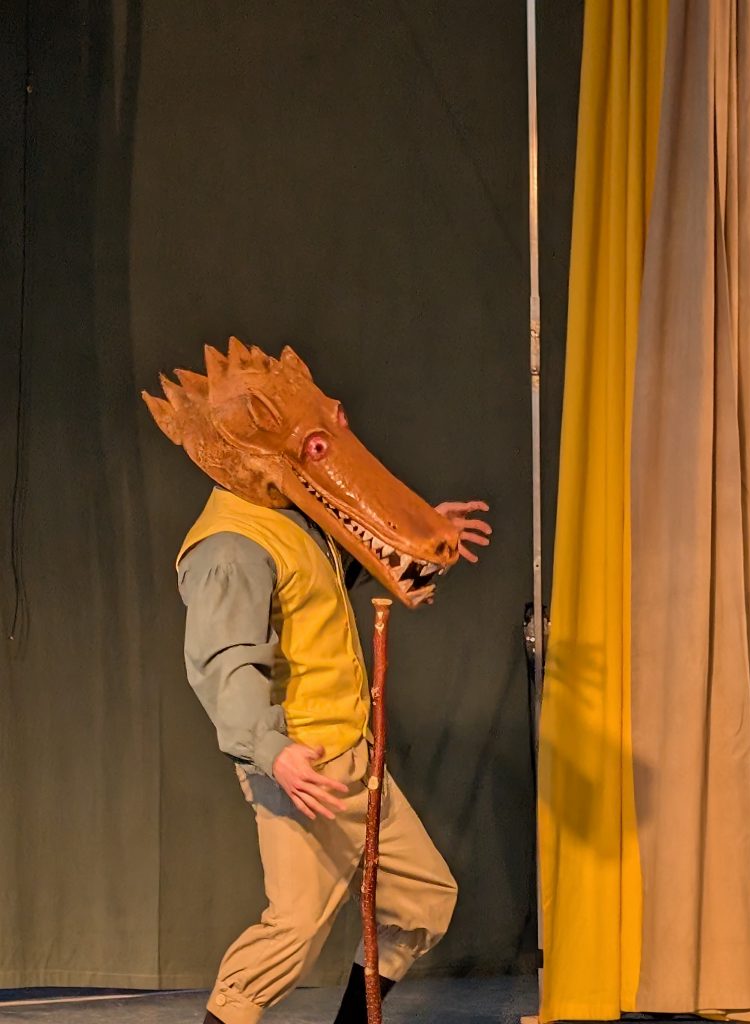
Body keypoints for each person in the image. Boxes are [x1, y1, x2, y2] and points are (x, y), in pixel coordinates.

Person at [142, 340, 492, 1024]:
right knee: (293, 932)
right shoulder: (230, 547)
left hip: (352, 753)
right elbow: (225, 662)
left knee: (422, 899)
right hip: (303, 763)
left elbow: (323, 578)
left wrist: (420, 534)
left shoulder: (288, 515)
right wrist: (273, 753)